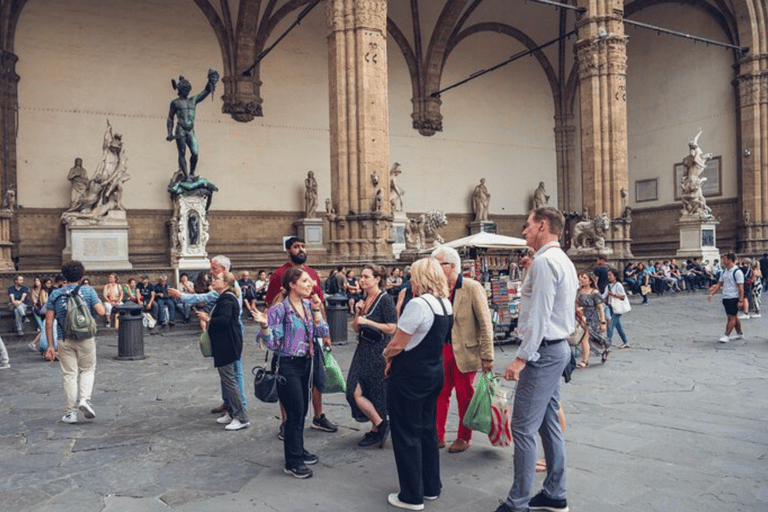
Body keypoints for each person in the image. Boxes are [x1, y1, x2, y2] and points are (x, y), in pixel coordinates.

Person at [495, 207, 577, 512]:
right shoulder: (563, 260)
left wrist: (522, 358)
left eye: (527, 225)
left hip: (543, 351)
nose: (524, 231)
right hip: (557, 348)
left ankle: (517, 503)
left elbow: (540, 316)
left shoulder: (543, 262)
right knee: (547, 423)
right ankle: (555, 494)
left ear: (542, 226)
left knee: (523, 428)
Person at [382, 257, 453, 510]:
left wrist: (386, 356)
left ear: (422, 277)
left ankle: (411, 495)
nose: (409, 279)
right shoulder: (445, 304)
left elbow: (398, 344)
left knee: (406, 433)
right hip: (434, 373)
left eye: (412, 275)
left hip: (410, 376)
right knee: (426, 430)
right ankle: (431, 486)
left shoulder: (419, 305)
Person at [254, 267, 330, 478]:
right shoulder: (280, 309)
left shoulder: (308, 305)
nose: (311, 285)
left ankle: (298, 449)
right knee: (295, 412)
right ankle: (292, 461)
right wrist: (264, 327)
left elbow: (323, 332)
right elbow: (272, 343)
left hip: (306, 363)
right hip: (287, 364)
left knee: (302, 410)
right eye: (305, 281)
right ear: (292, 285)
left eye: (310, 281)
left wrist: (316, 312)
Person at [265, 236, 338, 435]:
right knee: (286, 381)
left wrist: (326, 333)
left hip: (312, 333)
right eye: (296, 246)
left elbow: (319, 303)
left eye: (303, 246)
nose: (301, 249)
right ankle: (286, 422)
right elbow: (272, 303)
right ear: (288, 251)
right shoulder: (279, 274)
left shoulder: (312, 272)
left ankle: (318, 416)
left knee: (317, 376)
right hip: (289, 337)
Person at [431, 245, 493, 453]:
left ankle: (464, 437)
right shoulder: (438, 289)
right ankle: (437, 434)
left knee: (464, 395)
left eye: (438, 265)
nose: (435, 269)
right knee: (440, 392)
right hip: (443, 349)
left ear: (452, 265)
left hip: (467, 350)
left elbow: (485, 323)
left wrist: (487, 356)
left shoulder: (472, 287)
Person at [168, 256, 247, 417]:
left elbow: (207, 302)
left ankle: (240, 408)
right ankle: (229, 404)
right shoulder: (223, 290)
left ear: (223, 271)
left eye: (214, 269)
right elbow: (203, 297)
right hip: (224, 332)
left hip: (230, 333)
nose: (211, 272)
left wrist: (208, 318)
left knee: (233, 372)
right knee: (226, 370)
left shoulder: (229, 292)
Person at [44, 260, 106, 423]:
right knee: (87, 369)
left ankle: (71, 413)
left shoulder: (55, 294)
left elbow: (49, 322)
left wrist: (50, 346)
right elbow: (101, 311)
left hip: (64, 339)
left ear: (65, 275)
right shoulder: (88, 290)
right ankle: (85, 399)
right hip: (86, 337)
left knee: (69, 374)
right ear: (81, 275)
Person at [347, 264, 397, 447]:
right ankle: (380, 424)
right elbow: (355, 327)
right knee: (353, 390)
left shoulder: (385, 299)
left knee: (373, 391)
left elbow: (393, 327)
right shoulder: (364, 299)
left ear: (377, 279)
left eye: (366, 276)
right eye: (361, 276)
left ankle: (377, 428)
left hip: (378, 350)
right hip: (363, 349)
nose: (362, 280)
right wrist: (358, 314)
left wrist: (368, 321)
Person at [197, 272, 249, 430]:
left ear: (226, 283)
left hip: (228, 345)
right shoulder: (225, 297)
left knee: (230, 381)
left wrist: (208, 319)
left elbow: (223, 321)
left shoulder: (227, 299)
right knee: (228, 380)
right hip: (226, 344)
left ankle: (241, 417)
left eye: (218, 278)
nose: (214, 279)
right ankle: (232, 413)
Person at [166, 70, 219, 181]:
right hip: (180, 129)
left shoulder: (193, 100)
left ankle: (191, 173)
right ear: (179, 90)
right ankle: (186, 176)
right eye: (184, 89)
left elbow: (205, 91)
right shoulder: (175, 103)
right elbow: (170, 118)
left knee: (195, 152)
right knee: (182, 152)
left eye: (188, 89)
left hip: (190, 130)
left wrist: (210, 81)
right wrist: (169, 133)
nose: (187, 91)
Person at [708, 253, 745, 343]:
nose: (723, 261)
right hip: (726, 296)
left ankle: (726, 335)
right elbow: (719, 284)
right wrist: (712, 294)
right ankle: (739, 333)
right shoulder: (724, 271)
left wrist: (740, 300)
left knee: (731, 317)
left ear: (730, 260)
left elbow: (741, 287)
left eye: (724, 259)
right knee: (734, 316)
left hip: (734, 296)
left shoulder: (737, 272)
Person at [575, 272, 609, 367]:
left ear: (590, 280)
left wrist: (602, 322)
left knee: (585, 338)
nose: (581, 280)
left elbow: (600, 308)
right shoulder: (579, 291)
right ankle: (603, 349)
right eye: (580, 278)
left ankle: (584, 361)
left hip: (592, 318)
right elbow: (576, 304)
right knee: (588, 339)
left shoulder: (594, 292)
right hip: (581, 317)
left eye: (584, 278)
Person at [602, 268, 629, 349]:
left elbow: (623, 296)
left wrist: (614, 295)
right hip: (611, 307)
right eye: (608, 275)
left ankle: (608, 344)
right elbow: (604, 296)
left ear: (615, 276)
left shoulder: (618, 285)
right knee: (618, 326)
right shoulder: (608, 285)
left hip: (617, 308)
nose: (609, 277)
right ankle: (625, 341)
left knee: (611, 325)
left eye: (610, 275)